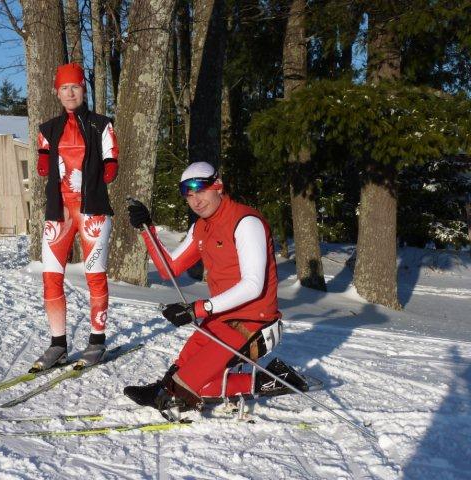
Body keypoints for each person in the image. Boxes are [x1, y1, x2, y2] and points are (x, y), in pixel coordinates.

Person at [124, 162, 307, 411]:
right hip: (221, 319)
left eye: (200, 190)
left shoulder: (246, 222)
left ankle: (272, 379)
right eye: (188, 195)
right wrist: (147, 229)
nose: (195, 200)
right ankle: (165, 388)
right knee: (179, 373)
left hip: (255, 324)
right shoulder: (201, 227)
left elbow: (253, 286)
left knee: (189, 389)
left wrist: (198, 309)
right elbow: (169, 269)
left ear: (218, 186)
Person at [30, 63, 119, 372]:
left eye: (76, 87)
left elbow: (111, 154)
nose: (70, 93)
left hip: (92, 211)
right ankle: (58, 344)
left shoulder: (101, 124)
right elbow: (43, 153)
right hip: (59, 213)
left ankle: (97, 341)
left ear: (84, 90)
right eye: (64, 88)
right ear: (57, 93)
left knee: (95, 276)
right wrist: (43, 159)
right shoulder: (48, 128)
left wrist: (110, 165)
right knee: (51, 277)